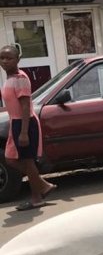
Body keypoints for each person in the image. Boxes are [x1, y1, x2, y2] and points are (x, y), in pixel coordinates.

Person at [0, 46, 56, 212]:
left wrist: (24, 132)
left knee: (27, 161)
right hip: (15, 123)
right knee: (10, 158)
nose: (4, 61)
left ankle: (36, 198)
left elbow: (25, 106)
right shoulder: (10, 78)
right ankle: (42, 184)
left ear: (18, 59)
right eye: (2, 58)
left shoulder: (20, 78)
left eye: (9, 58)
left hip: (25, 123)